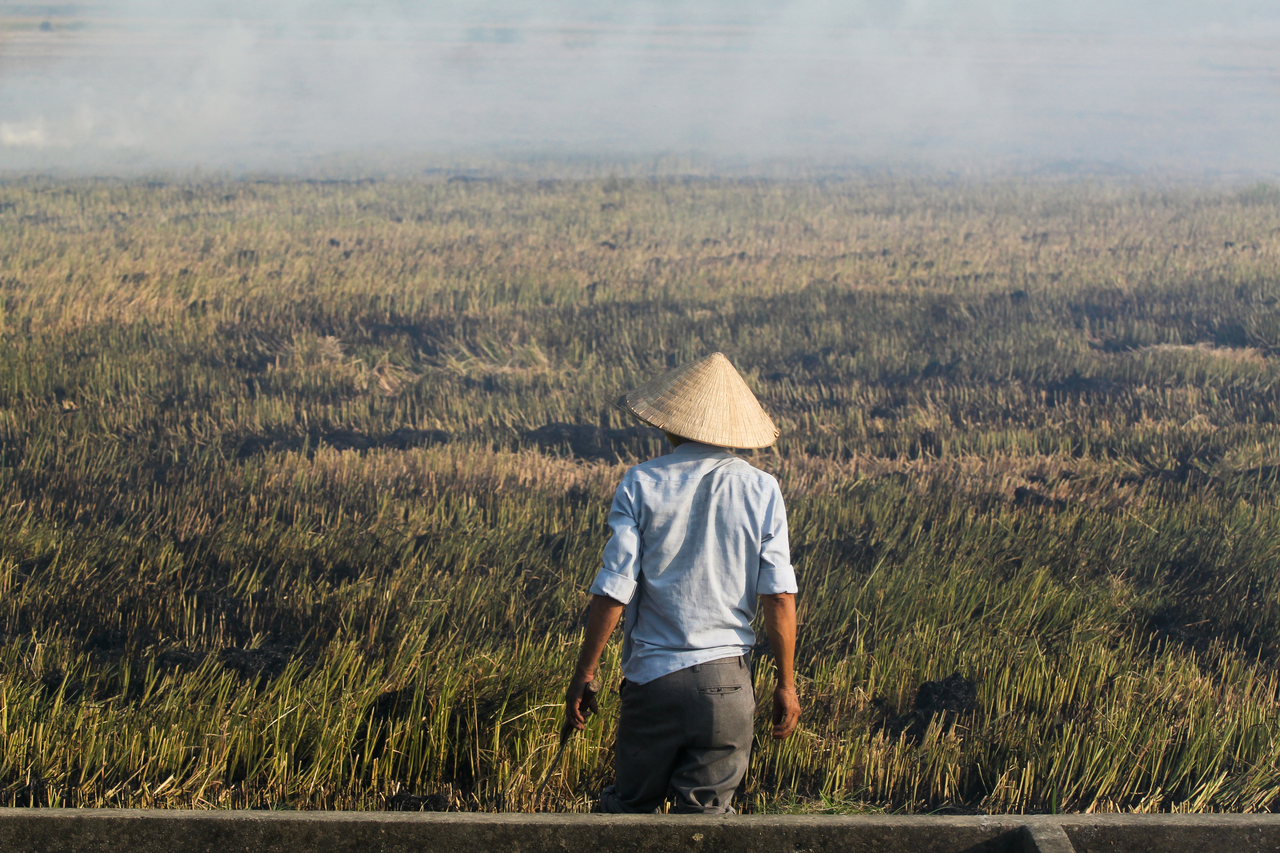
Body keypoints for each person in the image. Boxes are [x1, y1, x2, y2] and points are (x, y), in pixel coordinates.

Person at [563, 352, 800, 815]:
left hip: (652, 682)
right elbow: (779, 595)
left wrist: (584, 675)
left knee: (628, 817)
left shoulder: (641, 482)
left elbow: (614, 589)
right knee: (707, 827)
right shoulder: (762, 488)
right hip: (728, 690)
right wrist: (786, 684)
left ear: (670, 423)